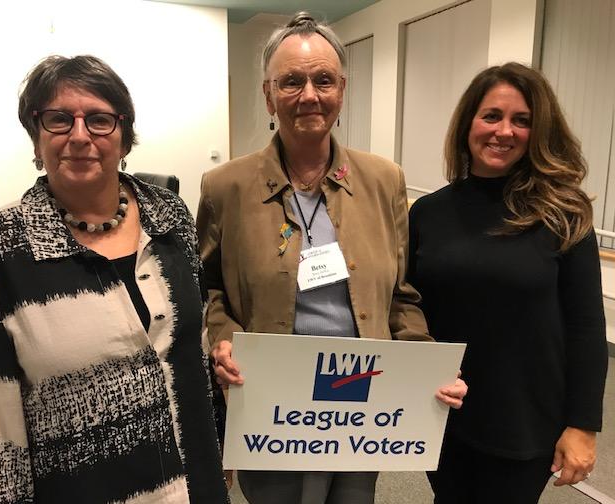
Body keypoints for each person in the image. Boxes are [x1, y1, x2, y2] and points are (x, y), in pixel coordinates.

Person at [196, 12, 467, 504]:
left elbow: (401, 296)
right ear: (267, 93)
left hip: (361, 400)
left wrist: (428, 368)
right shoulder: (225, 188)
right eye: (291, 81)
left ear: (342, 89)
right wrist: (225, 340)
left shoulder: (384, 179)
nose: (309, 95)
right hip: (273, 402)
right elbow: (212, 289)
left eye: (323, 80)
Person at [0, 55, 229, 503]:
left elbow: (189, 350)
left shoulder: (169, 218)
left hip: (196, 485)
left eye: (98, 120)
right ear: (36, 138)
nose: (78, 136)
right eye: (57, 119)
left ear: (124, 136)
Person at [407, 62, 609, 504]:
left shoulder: (563, 214)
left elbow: (587, 327)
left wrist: (583, 426)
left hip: (524, 422)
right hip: (442, 412)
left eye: (522, 121)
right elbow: (408, 307)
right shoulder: (428, 213)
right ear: (468, 124)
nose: (504, 131)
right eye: (492, 116)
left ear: (538, 133)